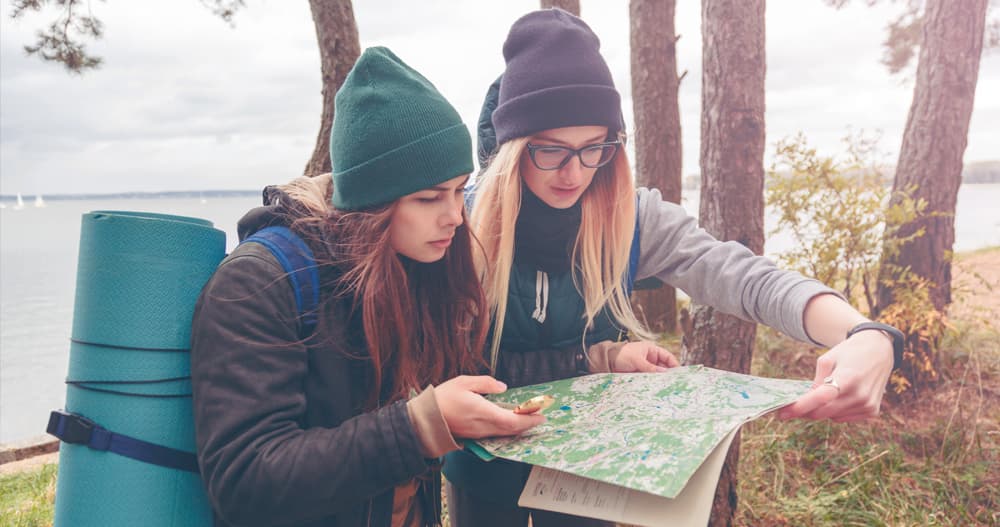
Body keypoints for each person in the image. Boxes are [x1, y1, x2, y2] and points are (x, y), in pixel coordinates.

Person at [442, 9, 901, 527]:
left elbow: (744, 276)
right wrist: (599, 357)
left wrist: (863, 331)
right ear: (513, 149)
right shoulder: (460, 224)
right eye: (550, 151)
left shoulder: (630, 218)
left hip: (589, 477)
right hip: (481, 471)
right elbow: (449, 371)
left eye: (594, 148)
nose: (574, 173)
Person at [190, 47, 544, 527]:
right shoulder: (260, 283)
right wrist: (418, 427)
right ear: (370, 202)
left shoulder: (416, 261)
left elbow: (477, 369)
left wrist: (600, 359)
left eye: (460, 189)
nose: (456, 216)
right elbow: (244, 481)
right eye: (428, 197)